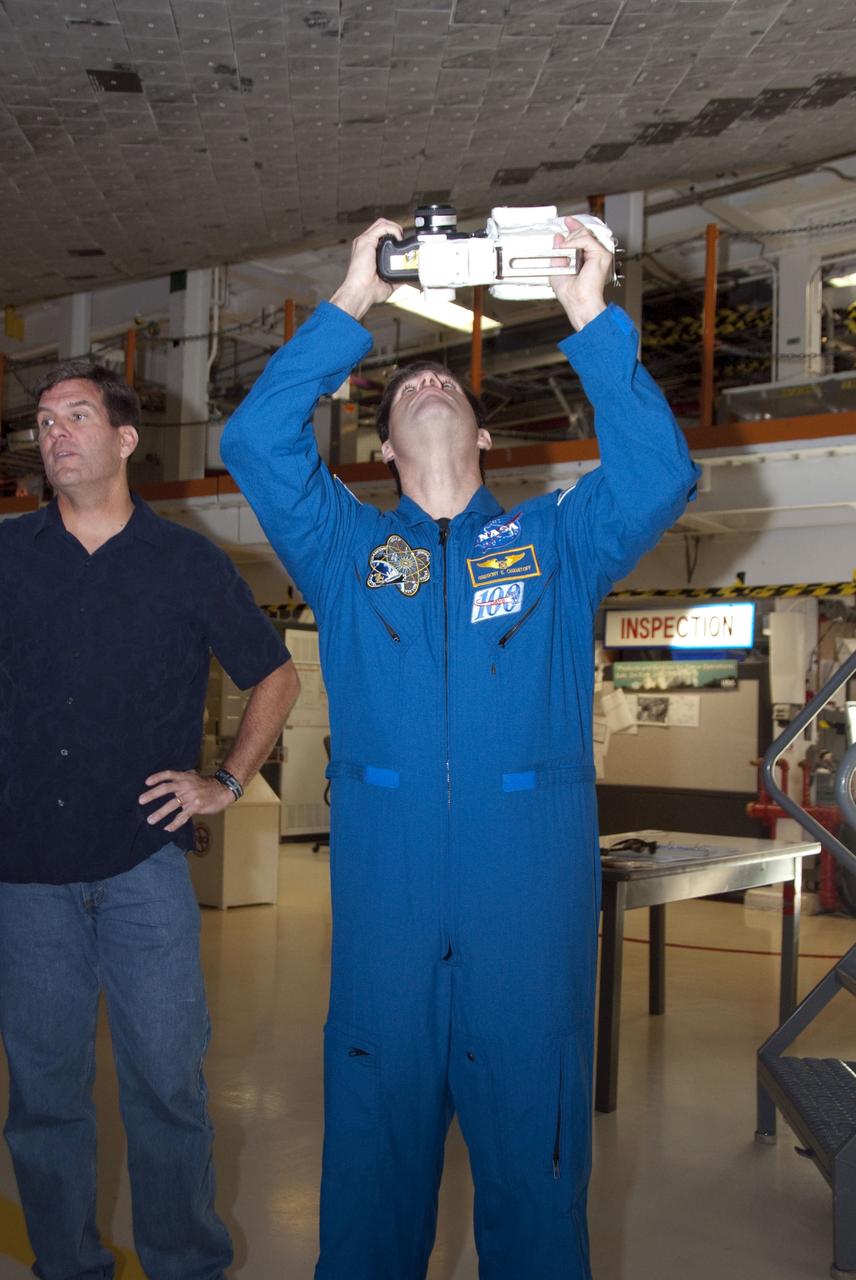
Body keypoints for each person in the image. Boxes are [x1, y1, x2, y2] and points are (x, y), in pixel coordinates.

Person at [221, 215, 700, 1279]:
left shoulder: (553, 541)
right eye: (403, 394)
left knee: (536, 1174)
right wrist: (353, 300)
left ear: (487, 439)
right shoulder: (349, 547)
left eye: (451, 388)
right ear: (382, 450)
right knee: (368, 1178)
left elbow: (660, 476)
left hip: (527, 907)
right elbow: (252, 442)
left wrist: (590, 312)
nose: (428, 384)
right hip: (385, 911)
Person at [0, 360, 299, 1280]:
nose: (55, 434)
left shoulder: (186, 562)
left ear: (126, 441)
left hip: (143, 872)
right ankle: (67, 1265)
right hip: (26, 875)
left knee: (166, 1088)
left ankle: (185, 1265)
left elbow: (275, 675)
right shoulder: (8, 555)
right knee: (45, 1096)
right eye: (45, 421)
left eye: (77, 416)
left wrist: (228, 780)